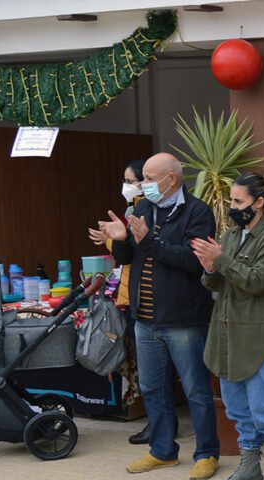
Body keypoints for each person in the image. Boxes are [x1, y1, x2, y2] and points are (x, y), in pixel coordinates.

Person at [96, 152, 220, 480]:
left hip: (184, 320)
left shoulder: (197, 212)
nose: (143, 185)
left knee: (195, 389)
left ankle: (207, 453)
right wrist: (119, 240)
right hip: (145, 318)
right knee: (152, 388)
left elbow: (192, 261)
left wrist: (148, 239)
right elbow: (127, 259)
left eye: (149, 179)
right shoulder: (142, 208)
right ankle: (162, 451)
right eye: (143, 179)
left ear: (171, 180)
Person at [193, 173, 264, 480]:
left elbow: (256, 281)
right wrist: (209, 267)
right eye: (231, 201)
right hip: (227, 334)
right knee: (238, 408)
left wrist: (220, 260)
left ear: (259, 202)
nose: (233, 207)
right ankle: (249, 465)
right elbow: (216, 284)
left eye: (238, 202)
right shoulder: (231, 234)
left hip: (259, 334)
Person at [92, 159, 153, 446]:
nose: (127, 186)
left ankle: (159, 424)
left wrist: (118, 237)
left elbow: (137, 251)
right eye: (125, 180)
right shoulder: (131, 209)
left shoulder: (146, 210)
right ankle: (157, 423)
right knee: (145, 365)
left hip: (143, 295)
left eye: (132, 181)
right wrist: (109, 238)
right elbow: (124, 252)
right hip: (129, 294)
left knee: (153, 368)